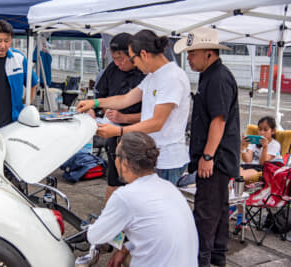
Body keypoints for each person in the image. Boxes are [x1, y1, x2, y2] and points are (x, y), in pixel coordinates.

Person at [77, 29, 191, 185]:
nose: (134, 63)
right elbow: (125, 99)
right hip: (152, 155)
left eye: (133, 58)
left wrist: (118, 131)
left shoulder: (172, 77)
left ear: (143, 54)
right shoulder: (153, 76)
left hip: (167, 160)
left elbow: (157, 122)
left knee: (156, 207)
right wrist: (95, 103)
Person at [174, 27, 240, 267]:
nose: (189, 58)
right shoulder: (210, 75)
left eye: (192, 54)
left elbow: (219, 119)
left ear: (208, 53)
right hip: (218, 158)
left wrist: (208, 156)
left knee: (205, 215)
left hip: (216, 159)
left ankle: (201, 261)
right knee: (219, 213)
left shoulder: (218, 78)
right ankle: (217, 259)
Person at [87, 131, 198, 267]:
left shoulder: (125, 196)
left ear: (125, 162)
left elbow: (95, 236)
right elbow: (153, 234)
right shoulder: (169, 188)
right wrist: (125, 247)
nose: (114, 160)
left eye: (115, 156)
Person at [93, 32, 145, 201]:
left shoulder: (145, 74)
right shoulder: (113, 69)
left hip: (139, 136)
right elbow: (102, 97)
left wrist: (124, 118)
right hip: (113, 133)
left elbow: (154, 117)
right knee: (114, 179)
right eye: (114, 59)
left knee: (135, 183)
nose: (118, 63)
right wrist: (94, 109)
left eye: (121, 59)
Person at [240, 116, 282, 180]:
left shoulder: (275, 145)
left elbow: (262, 163)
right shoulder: (254, 141)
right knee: (230, 170)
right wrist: (242, 147)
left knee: (239, 176)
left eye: (265, 130)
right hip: (247, 166)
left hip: (260, 169)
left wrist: (265, 147)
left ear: (273, 131)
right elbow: (247, 160)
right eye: (260, 129)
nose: (262, 132)